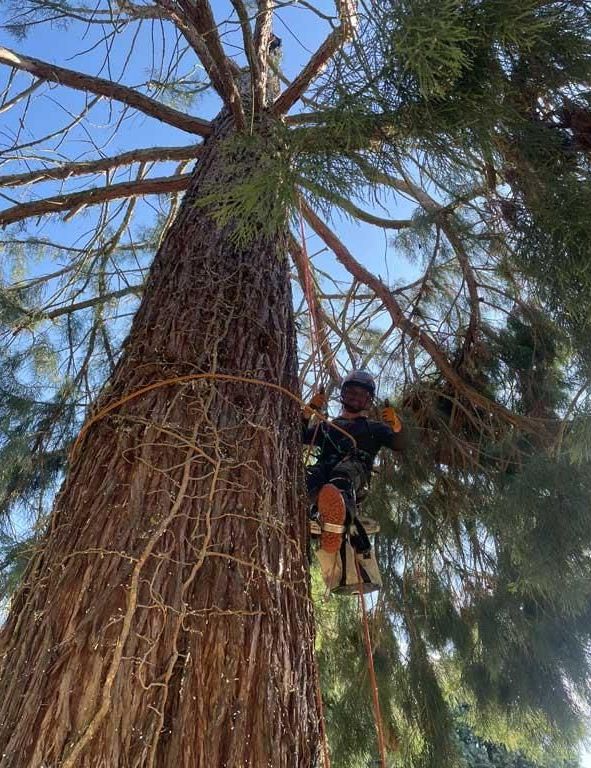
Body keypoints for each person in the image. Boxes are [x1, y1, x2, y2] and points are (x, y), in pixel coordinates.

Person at [302, 370, 405, 555]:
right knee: (308, 478)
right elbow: (299, 435)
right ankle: (312, 513)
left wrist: (396, 425)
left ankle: (339, 522)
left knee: (341, 476)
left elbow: (399, 444)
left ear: (368, 400)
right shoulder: (326, 427)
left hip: (353, 473)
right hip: (324, 470)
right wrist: (308, 411)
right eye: (352, 392)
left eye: (361, 394)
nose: (356, 397)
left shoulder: (375, 428)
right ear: (343, 395)